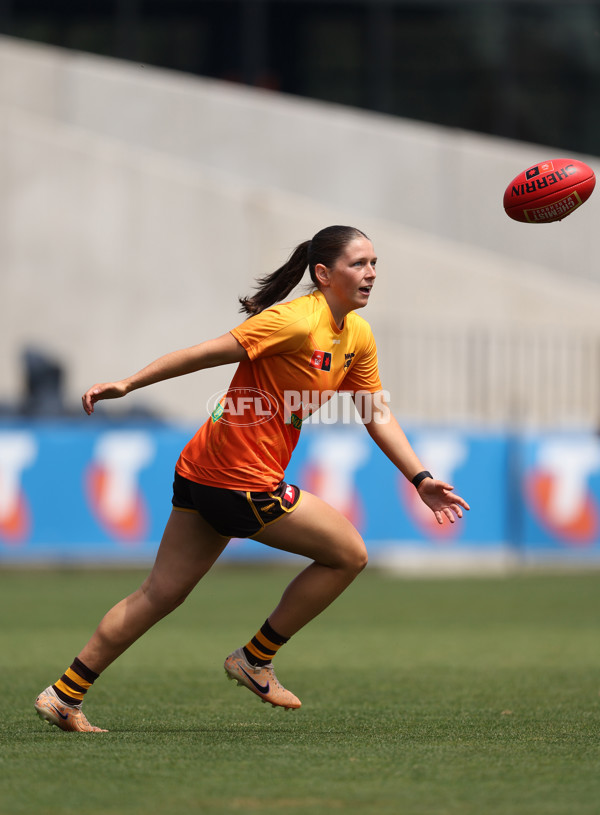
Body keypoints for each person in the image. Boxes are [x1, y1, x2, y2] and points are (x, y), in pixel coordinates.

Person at [34, 225, 470, 732]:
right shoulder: (293, 321)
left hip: (202, 470)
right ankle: (255, 659)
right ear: (324, 274)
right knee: (349, 554)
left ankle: (65, 694)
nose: (371, 274)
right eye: (359, 264)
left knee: (160, 593)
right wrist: (130, 382)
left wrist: (420, 478)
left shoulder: (356, 336)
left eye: (375, 264)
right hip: (239, 481)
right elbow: (206, 352)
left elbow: (375, 412)